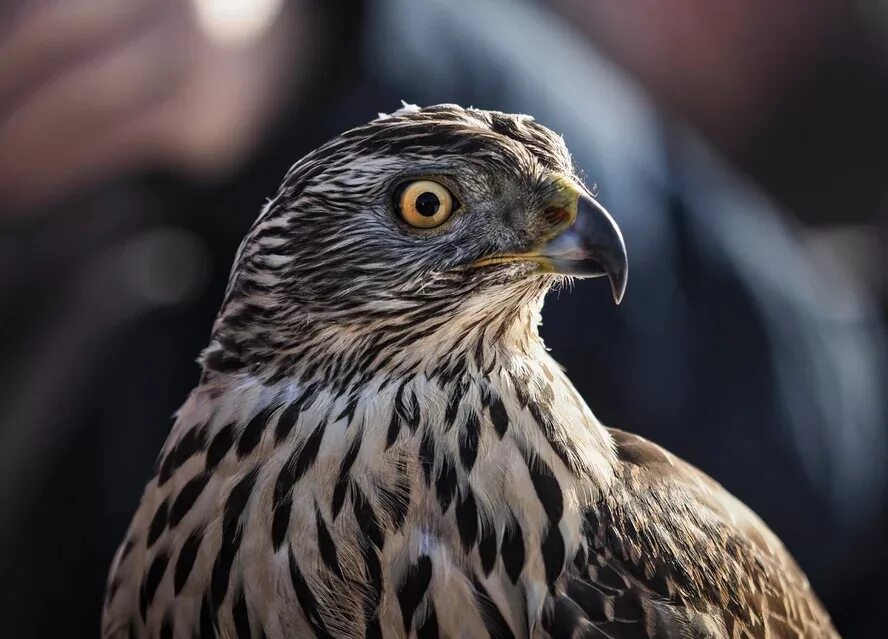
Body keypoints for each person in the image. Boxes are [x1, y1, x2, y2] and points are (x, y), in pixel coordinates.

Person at [1, 0, 883, 636]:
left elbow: (810, 413)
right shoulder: (165, 545)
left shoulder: (631, 550)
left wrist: (311, 52)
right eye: (427, 206)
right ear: (294, 267)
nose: (566, 224)